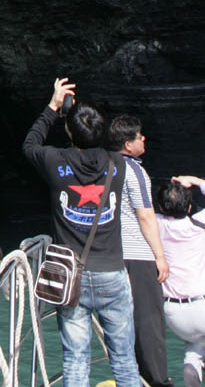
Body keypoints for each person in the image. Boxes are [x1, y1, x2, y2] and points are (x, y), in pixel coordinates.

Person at [23, 77, 164, 387]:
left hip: (70, 276)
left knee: (75, 358)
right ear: (104, 134)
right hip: (112, 273)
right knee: (124, 358)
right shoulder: (119, 165)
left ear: (69, 131)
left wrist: (54, 108)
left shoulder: (54, 161)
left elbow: (30, 144)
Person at [108, 113, 173, 387]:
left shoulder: (103, 166)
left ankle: (130, 378)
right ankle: (157, 381)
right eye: (139, 136)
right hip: (138, 255)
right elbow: (145, 215)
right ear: (127, 143)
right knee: (149, 322)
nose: (143, 139)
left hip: (111, 254)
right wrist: (160, 256)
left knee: (121, 322)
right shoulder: (134, 170)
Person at [156, 176, 205, 387]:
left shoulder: (154, 224)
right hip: (201, 305)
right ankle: (193, 362)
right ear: (190, 206)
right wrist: (194, 180)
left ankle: (192, 362)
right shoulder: (198, 225)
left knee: (195, 343)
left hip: (173, 314)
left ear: (160, 206)